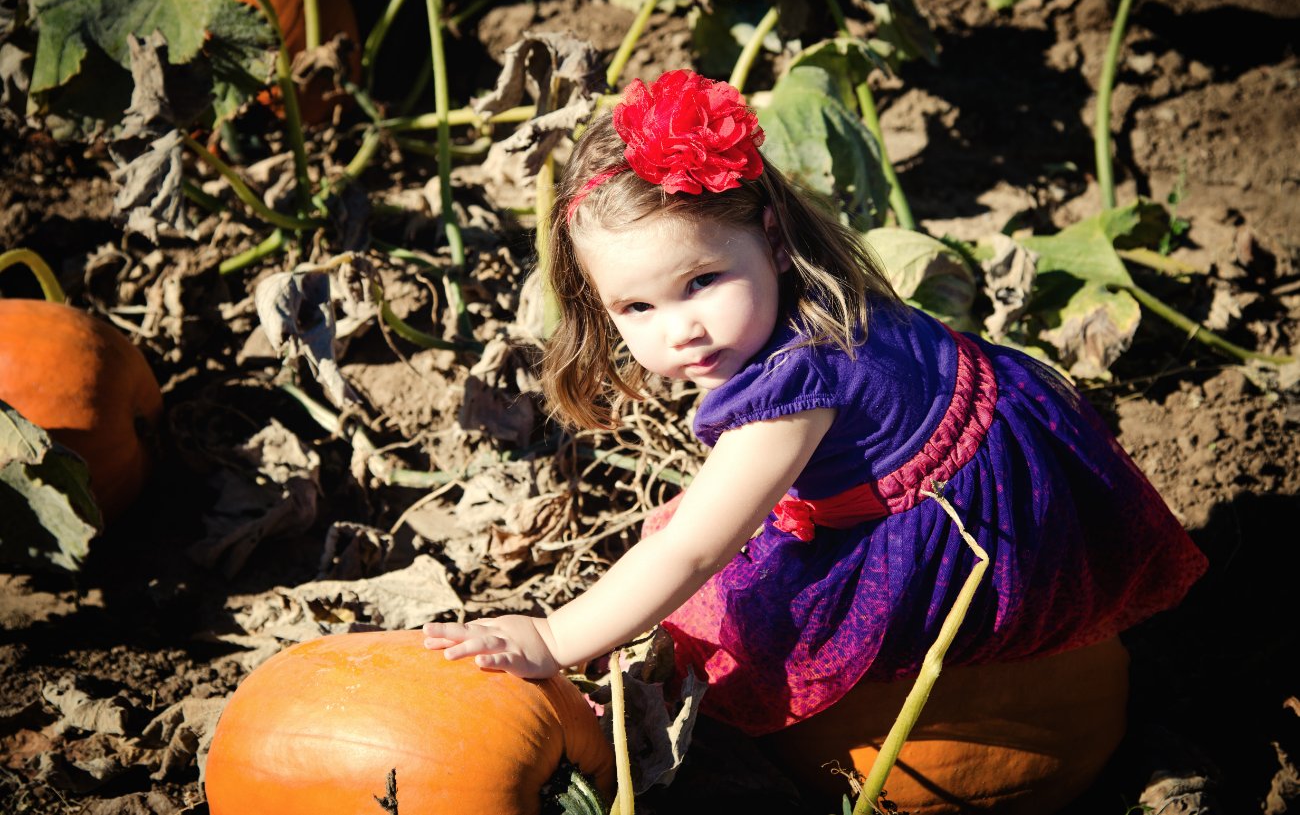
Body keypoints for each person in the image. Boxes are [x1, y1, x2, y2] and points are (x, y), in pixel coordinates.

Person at [423, 68, 1208, 808]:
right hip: (1007, 442)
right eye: (637, 308)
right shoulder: (824, 293)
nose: (682, 330)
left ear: (768, 235)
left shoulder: (792, 391)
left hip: (977, 529)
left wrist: (556, 635)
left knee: (747, 636)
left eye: (701, 281)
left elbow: (691, 551)